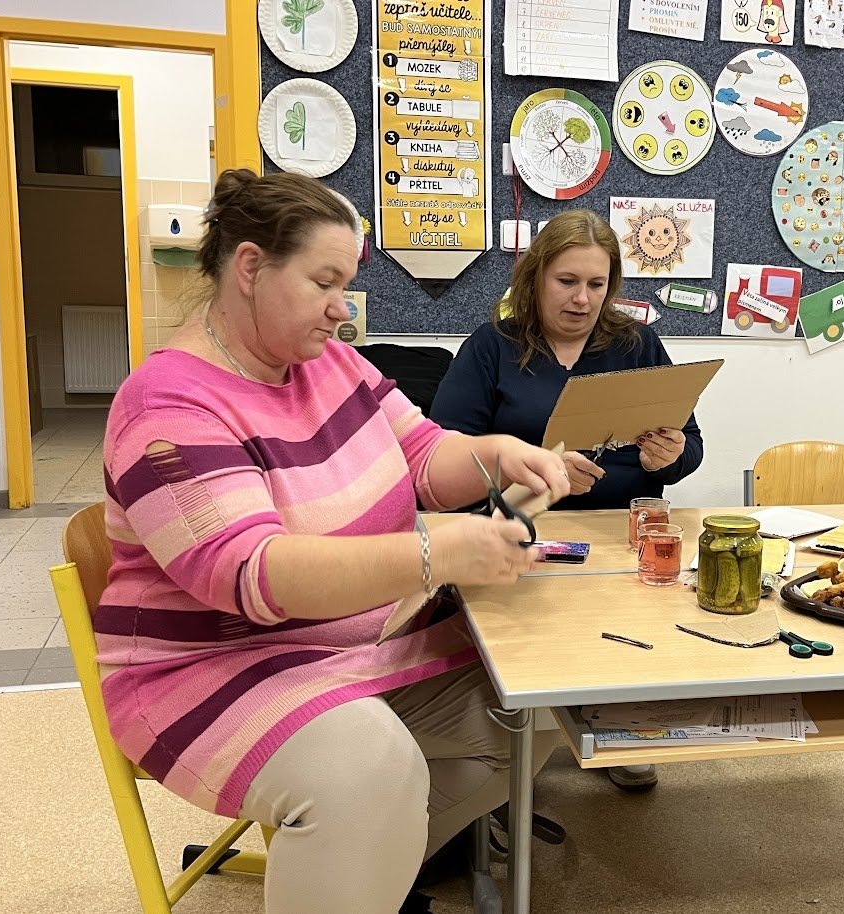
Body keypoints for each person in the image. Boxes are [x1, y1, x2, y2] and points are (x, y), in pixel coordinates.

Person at [96, 168, 571, 914]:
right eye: (324, 283)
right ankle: (353, 853)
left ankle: (361, 872)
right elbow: (254, 575)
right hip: (208, 671)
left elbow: (423, 457)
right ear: (250, 267)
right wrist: (435, 556)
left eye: (344, 285)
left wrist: (497, 455)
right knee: (366, 770)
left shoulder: (331, 362)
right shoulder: (169, 405)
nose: (341, 308)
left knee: (535, 705)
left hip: (353, 646)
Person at [430, 209, 705, 790]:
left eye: (597, 284)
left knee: (635, 627)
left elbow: (691, 445)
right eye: (567, 281)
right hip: (524, 531)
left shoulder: (637, 344)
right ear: (535, 277)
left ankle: (621, 725)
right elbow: (445, 458)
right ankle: (512, 744)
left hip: (620, 536)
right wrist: (536, 472)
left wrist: (670, 457)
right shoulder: (493, 347)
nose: (583, 299)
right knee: (531, 643)